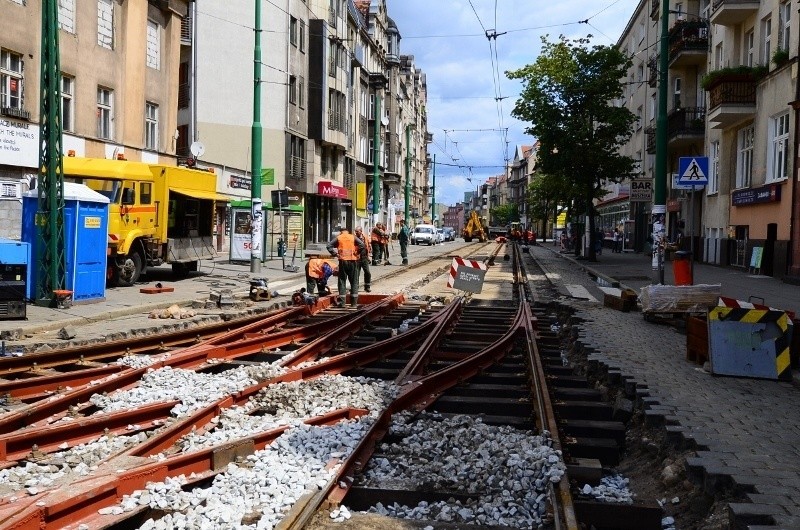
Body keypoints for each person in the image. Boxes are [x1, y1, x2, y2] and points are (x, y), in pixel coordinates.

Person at [327, 225, 366, 307]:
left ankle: (342, 303)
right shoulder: (352, 237)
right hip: (353, 261)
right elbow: (362, 245)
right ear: (347, 231)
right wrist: (357, 252)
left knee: (342, 281)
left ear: (341, 232)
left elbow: (329, 246)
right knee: (354, 281)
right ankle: (354, 303)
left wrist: (335, 254)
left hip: (343, 261)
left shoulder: (339, 237)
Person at [354, 226, 372, 292]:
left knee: (367, 272)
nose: (356, 233)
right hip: (357, 258)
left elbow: (368, 247)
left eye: (357, 231)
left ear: (361, 231)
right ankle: (355, 287)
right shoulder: (354, 238)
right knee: (356, 274)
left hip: (364, 258)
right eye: (355, 231)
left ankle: (367, 287)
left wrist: (368, 256)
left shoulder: (365, 237)